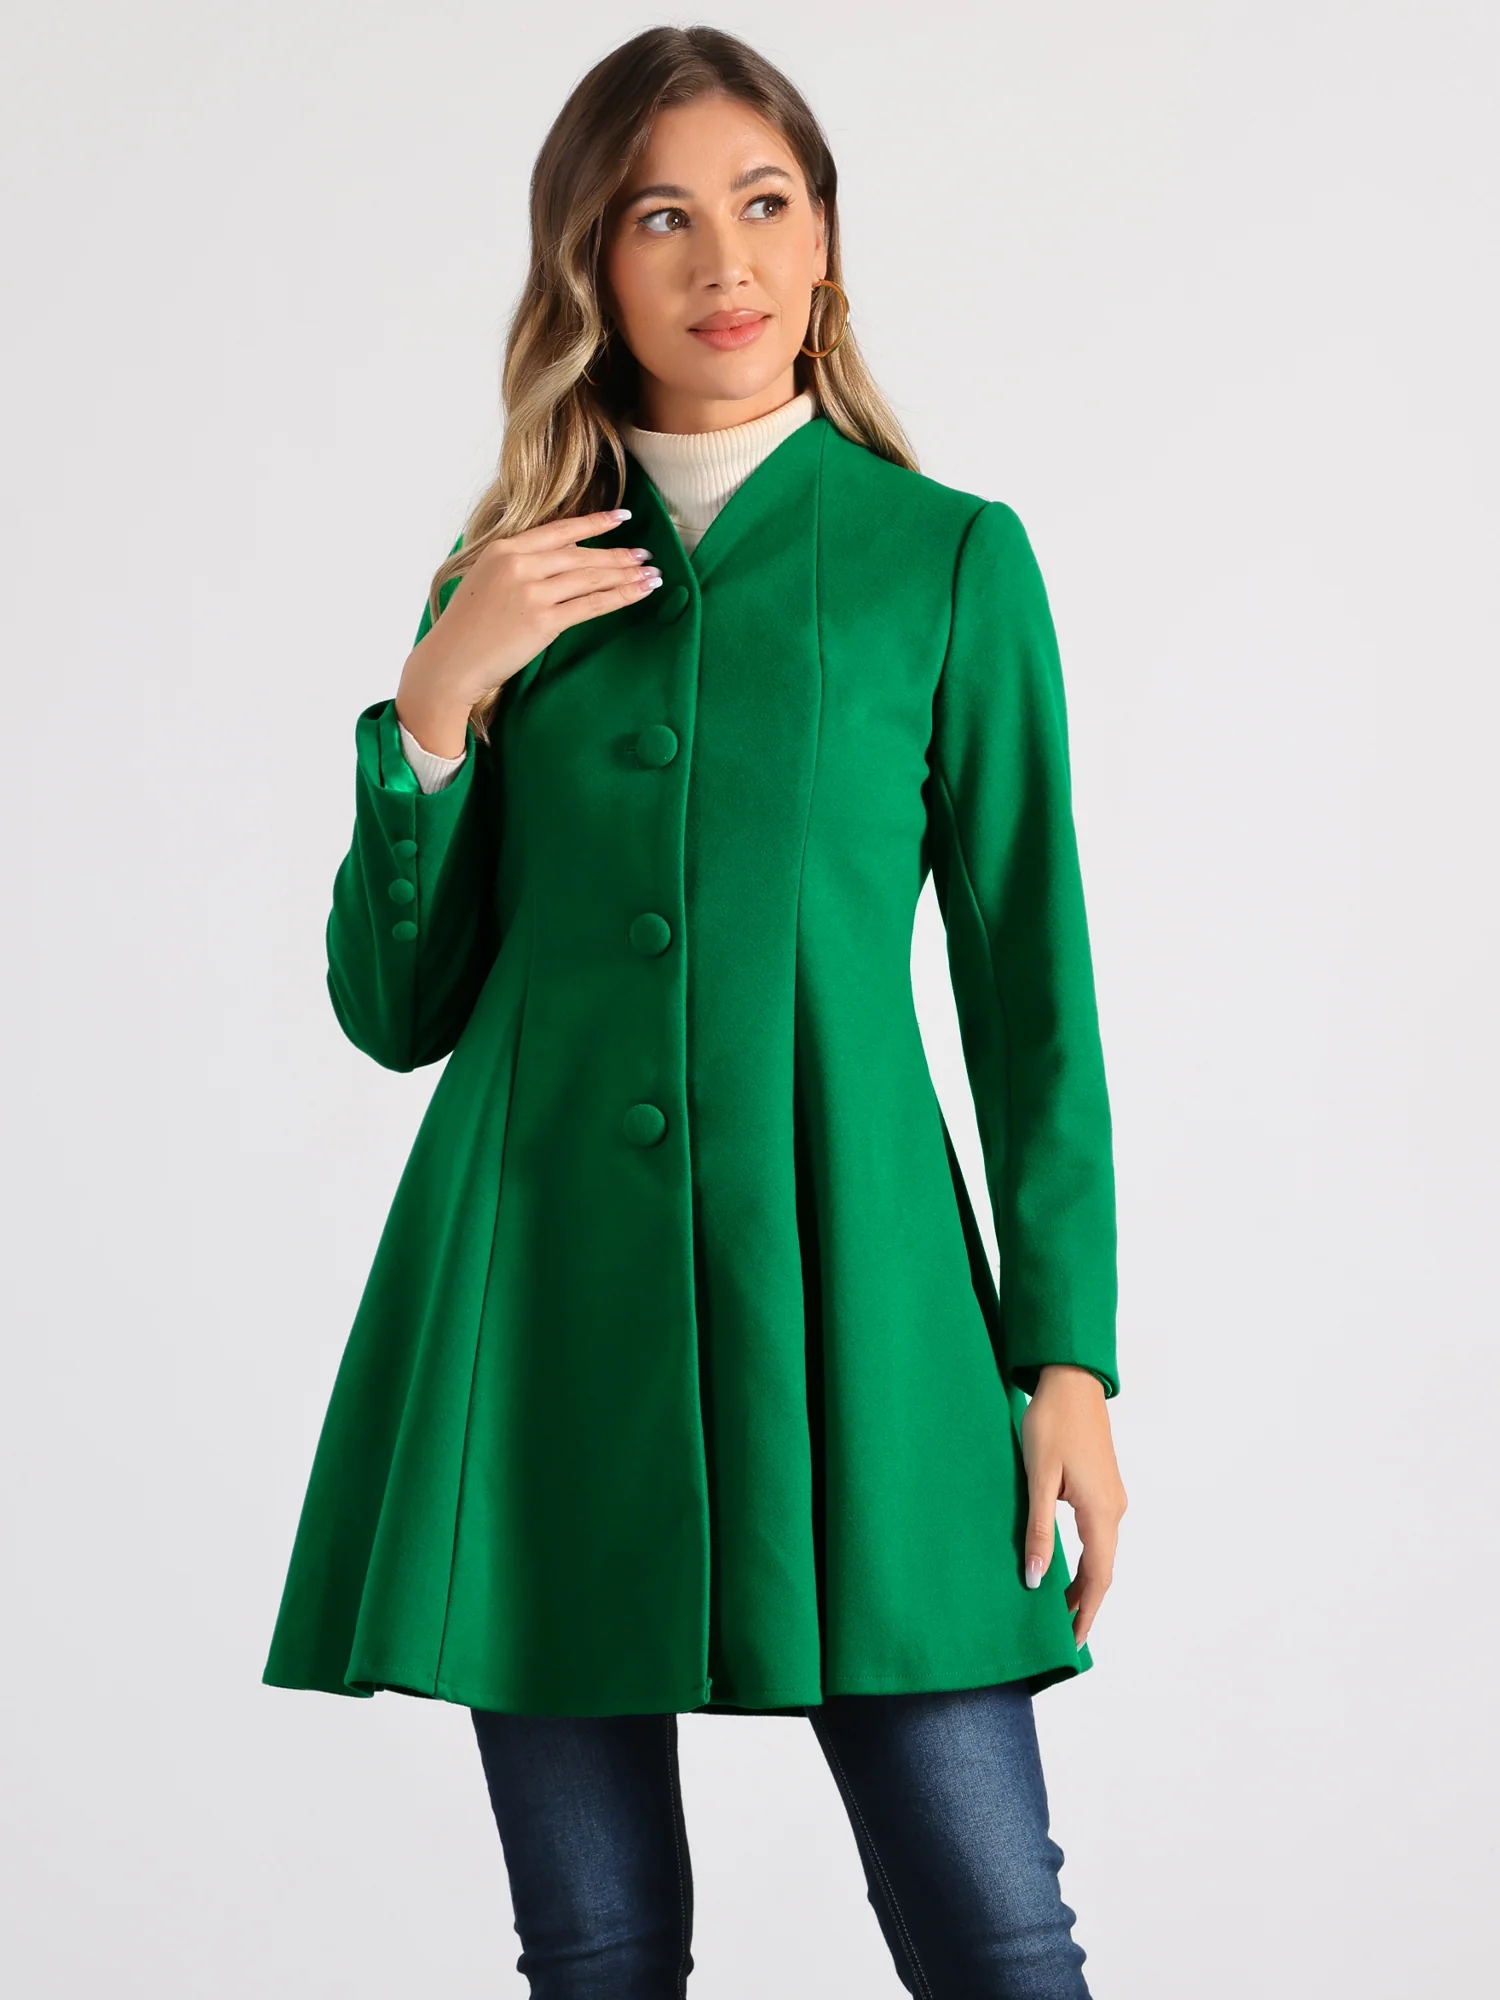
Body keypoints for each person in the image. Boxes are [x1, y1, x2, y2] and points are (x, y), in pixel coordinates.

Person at [262, 23, 1128, 1998]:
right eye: (661, 218)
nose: (723, 260)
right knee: (596, 1952)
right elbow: (398, 1009)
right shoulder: (504, 577)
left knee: (999, 1937)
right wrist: (437, 702)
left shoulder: (947, 559)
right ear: (590, 261)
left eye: (764, 202)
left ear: (824, 240)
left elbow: (1033, 990)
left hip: (866, 1305)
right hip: (543, 1305)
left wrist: (1067, 1355)